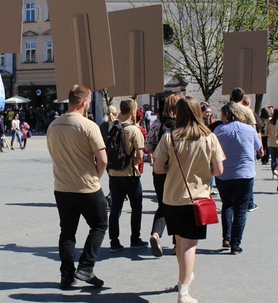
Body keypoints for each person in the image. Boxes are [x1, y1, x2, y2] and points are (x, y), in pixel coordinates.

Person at [153, 97, 225, 303]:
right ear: (198, 112)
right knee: (189, 245)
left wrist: (172, 170)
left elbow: (158, 168)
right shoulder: (209, 138)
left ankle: (185, 278)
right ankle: (183, 291)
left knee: (179, 242)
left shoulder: (169, 138)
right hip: (197, 199)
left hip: (172, 198)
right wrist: (204, 173)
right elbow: (219, 170)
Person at [47, 85, 108, 290]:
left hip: (62, 187)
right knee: (99, 225)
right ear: (83, 102)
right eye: (89, 101)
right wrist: (97, 178)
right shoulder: (89, 126)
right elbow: (103, 160)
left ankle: (67, 276)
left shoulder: (54, 125)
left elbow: (52, 153)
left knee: (67, 232)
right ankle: (86, 267)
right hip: (87, 187)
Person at [212, 102, 261, 254]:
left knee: (227, 204)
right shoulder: (248, 129)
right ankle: (235, 244)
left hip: (224, 174)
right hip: (244, 174)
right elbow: (258, 147)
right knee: (241, 209)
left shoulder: (219, 130)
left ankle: (226, 237)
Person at [145, 93, 182, 257]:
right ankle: (176, 244)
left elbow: (148, 145)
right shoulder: (182, 126)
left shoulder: (157, 123)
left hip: (159, 170)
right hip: (177, 171)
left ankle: (156, 234)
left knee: (163, 204)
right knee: (179, 206)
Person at [107, 98, 147, 252]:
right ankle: (135, 238)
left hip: (114, 174)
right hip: (130, 174)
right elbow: (140, 154)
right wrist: (136, 164)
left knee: (116, 208)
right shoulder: (133, 130)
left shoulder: (113, 126)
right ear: (132, 111)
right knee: (136, 206)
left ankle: (114, 241)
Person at [266, 108, 278, 179]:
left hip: (271, 142)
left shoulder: (269, 122)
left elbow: (266, 132)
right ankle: (277, 169)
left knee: (273, 158)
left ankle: (274, 172)